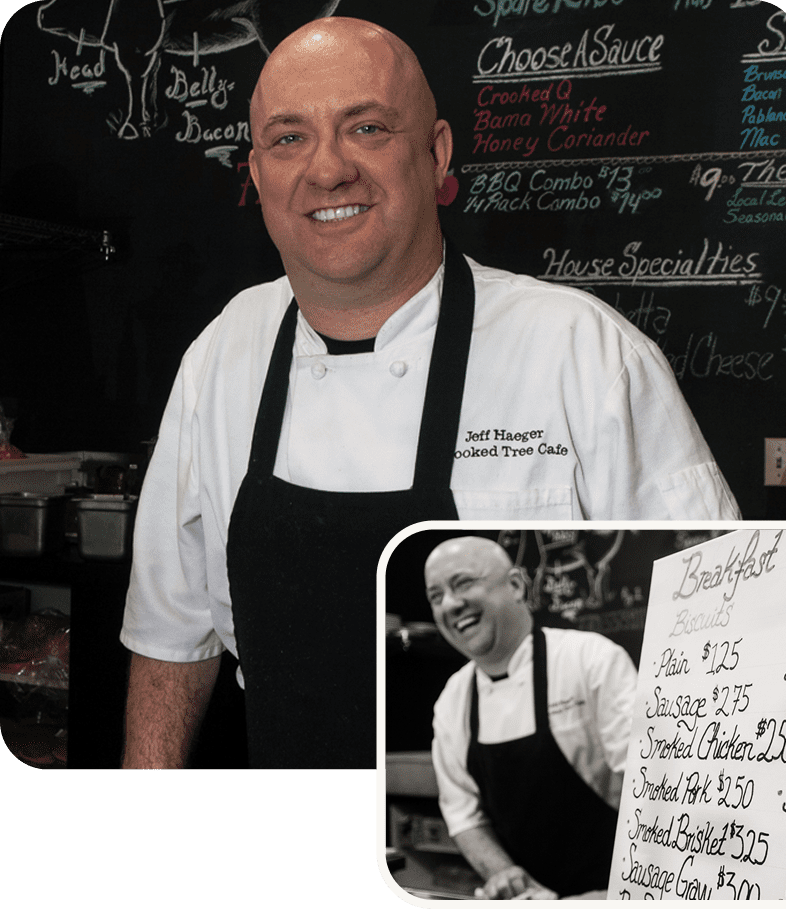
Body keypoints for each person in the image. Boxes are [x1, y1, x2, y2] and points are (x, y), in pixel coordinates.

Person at [119, 17, 736, 770]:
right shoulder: (221, 354)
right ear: (256, 174)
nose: (327, 170)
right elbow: (169, 643)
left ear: (436, 151)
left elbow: (717, 640)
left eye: (367, 128)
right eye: (289, 139)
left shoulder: (585, 355)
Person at [426, 537, 637, 899]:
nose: (450, 604)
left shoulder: (591, 661)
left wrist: (619, 893)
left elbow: (649, 793)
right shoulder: (452, 701)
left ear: (516, 585)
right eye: (435, 596)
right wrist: (505, 875)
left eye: (463, 584)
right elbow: (465, 817)